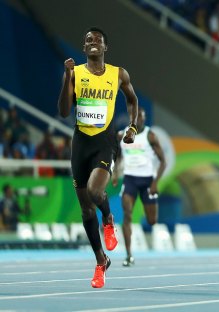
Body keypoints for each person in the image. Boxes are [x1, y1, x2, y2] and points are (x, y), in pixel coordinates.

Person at [57, 27, 139, 288]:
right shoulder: (75, 72)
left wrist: (133, 127)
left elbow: (133, 101)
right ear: (84, 48)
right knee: (84, 208)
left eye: (98, 40)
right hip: (80, 142)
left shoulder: (118, 74)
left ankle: (108, 218)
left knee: (95, 191)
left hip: (105, 141)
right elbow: (63, 111)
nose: (93, 43)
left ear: (105, 47)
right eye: (88, 40)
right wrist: (67, 77)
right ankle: (100, 260)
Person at [112, 107, 166, 267]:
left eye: (142, 118)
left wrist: (155, 182)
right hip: (130, 179)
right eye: (136, 118)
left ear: (144, 119)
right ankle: (129, 255)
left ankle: (132, 251)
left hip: (148, 180)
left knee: (152, 220)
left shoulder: (150, 136)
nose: (139, 120)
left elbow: (163, 161)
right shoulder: (121, 135)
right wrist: (115, 174)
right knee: (127, 215)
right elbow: (118, 157)